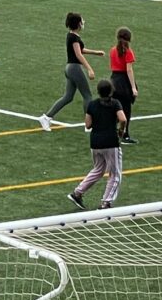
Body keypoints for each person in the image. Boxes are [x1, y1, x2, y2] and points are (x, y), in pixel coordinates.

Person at [38, 12, 106, 132]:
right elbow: (78, 54)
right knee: (87, 96)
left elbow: (80, 50)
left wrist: (96, 53)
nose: (84, 22)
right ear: (78, 24)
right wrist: (89, 68)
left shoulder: (73, 36)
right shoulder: (74, 37)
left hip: (69, 68)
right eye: (82, 21)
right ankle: (88, 125)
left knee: (68, 97)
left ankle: (46, 117)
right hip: (75, 68)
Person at [67, 79, 127, 211]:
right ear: (111, 91)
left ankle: (77, 193)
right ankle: (106, 202)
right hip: (110, 142)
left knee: (98, 169)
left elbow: (88, 124)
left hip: (95, 142)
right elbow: (123, 119)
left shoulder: (92, 104)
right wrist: (121, 130)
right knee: (115, 174)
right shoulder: (115, 103)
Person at [109, 27, 139, 145]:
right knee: (126, 110)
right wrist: (133, 87)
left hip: (113, 80)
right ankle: (125, 135)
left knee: (114, 108)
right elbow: (129, 70)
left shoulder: (112, 50)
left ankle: (111, 130)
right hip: (123, 82)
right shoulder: (128, 52)